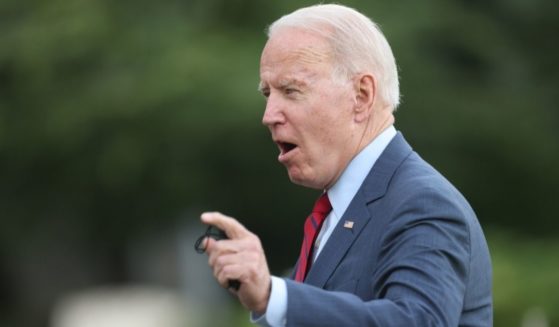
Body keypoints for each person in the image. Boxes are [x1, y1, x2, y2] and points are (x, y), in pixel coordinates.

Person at [200, 4, 492, 327]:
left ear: (362, 96)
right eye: (268, 94)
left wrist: (274, 296)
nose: (269, 115)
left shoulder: (424, 204)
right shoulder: (336, 211)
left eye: (291, 91)